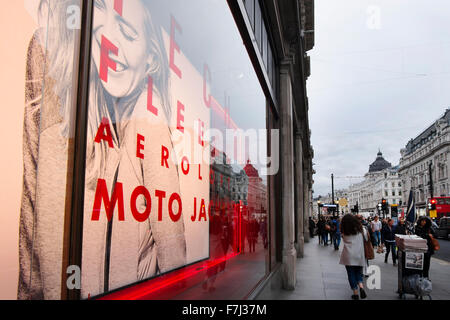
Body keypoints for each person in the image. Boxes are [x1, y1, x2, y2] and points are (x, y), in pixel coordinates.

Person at [19, 0, 188, 299]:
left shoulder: (146, 120)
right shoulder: (52, 57)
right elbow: (32, 224)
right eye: (99, 8)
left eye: (127, 32)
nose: (108, 40)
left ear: (151, 57)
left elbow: (173, 258)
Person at [339, 214, 368, 300]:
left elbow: (344, 239)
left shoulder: (344, 232)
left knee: (351, 273)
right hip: (359, 255)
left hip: (348, 255)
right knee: (359, 273)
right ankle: (361, 287)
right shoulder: (362, 229)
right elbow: (366, 239)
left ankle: (355, 293)